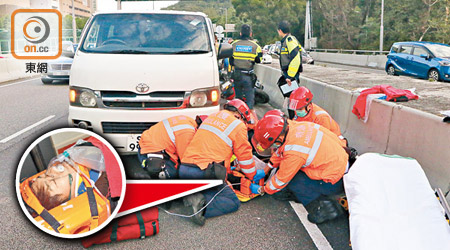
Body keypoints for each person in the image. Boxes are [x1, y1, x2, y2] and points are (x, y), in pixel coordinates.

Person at [251, 114, 349, 224]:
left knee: (293, 180)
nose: (273, 147)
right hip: (338, 163)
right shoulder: (294, 127)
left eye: (272, 144)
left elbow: (281, 179)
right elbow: (281, 150)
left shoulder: (295, 151)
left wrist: (262, 189)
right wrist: (266, 169)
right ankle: (301, 192)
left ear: (278, 139)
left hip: (334, 179)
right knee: (288, 174)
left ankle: (328, 208)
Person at [179, 99, 263, 226]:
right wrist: (252, 176)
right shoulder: (238, 125)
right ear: (240, 116)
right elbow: (245, 158)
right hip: (204, 172)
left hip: (184, 169)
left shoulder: (211, 118)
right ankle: (202, 207)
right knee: (232, 201)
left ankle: (192, 193)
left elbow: (215, 151)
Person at [138, 115, 203, 179]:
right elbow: (186, 159)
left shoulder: (187, 121)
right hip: (153, 151)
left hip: (146, 146)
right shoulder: (187, 132)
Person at [230, 24, 262, 116]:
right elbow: (258, 60)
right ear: (250, 34)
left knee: (238, 99)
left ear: (240, 33)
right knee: (249, 99)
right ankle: (249, 119)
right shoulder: (256, 46)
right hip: (248, 76)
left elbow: (231, 61)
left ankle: (238, 117)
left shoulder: (233, 44)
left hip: (237, 75)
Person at [277, 20, 303, 96]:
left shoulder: (289, 40)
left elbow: (296, 58)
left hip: (291, 74)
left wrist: (290, 76)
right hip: (288, 73)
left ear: (280, 31)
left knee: (293, 97)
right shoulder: (286, 41)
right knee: (289, 97)